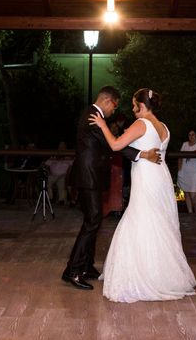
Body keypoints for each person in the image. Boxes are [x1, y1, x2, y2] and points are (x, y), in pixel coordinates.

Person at [89, 88, 196, 303]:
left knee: (142, 220)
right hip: (162, 177)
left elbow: (116, 145)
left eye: (134, 104)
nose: (132, 108)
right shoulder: (163, 127)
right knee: (160, 223)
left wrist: (103, 126)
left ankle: (144, 277)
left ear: (142, 105)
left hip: (147, 177)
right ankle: (165, 276)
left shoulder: (141, 124)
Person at [61, 85, 161, 291]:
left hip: (92, 177)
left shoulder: (94, 116)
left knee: (94, 221)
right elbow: (113, 145)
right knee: (92, 221)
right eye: (114, 107)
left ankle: (86, 266)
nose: (113, 111)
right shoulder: (92, 116)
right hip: (89, 177)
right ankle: (73, 271)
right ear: (107, 101)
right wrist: (142, 155)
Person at [177, 129, 196, 214]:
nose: (191, 136)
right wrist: (179, 170)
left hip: (195, 173)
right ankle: (190, 213)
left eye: (193, 134)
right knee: (186, 192)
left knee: (193, 194)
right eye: (189, 134)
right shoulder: (185, 144)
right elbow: (180, 157)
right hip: (184, 172)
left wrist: (190, 154)